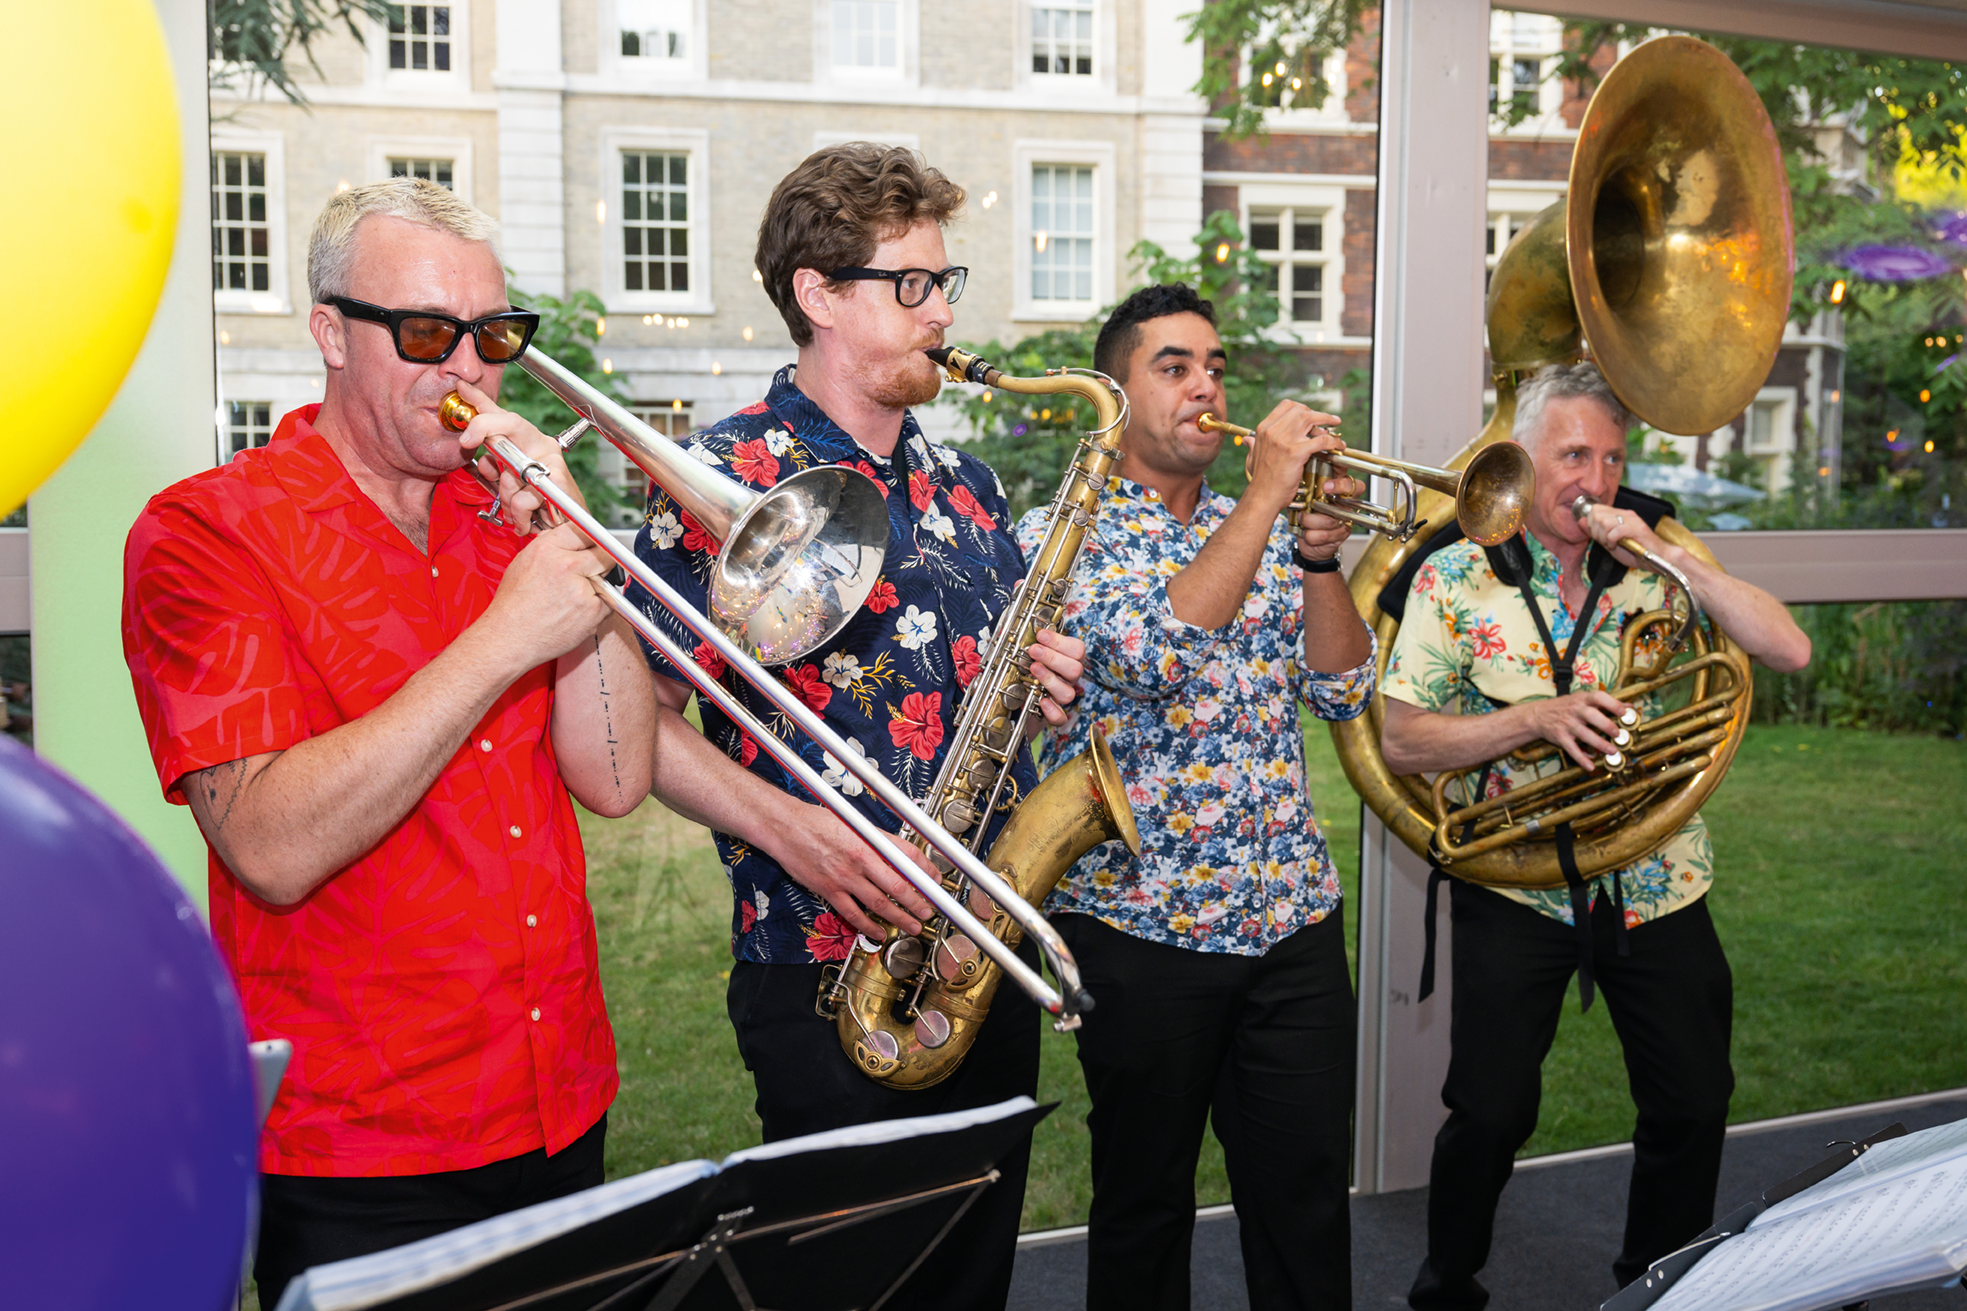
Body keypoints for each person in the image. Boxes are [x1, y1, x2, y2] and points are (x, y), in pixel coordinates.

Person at [122, 178, 657, 1309]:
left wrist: (577, 540)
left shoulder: (496, 514)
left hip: (556, 1095)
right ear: (330, 331)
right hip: (361, 1142)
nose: (466, 369)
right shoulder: (208, 533)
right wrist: (501, 641)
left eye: (494, 335)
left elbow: (614, 777)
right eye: (424, 333)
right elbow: (266, 844)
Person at [631, 144, 1086, 1311]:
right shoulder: (720, 476)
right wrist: (790, 832)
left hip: (981, 955)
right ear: (817, 294)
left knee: (969, 1284)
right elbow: (634, 720)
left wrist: (1043, 682)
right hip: (827, 971)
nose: (941, 315)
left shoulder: (968, 482)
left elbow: (984, 694)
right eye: (912, 286)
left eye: (946, 284)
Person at [1382, 362, 1812, 1308]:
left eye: (1612, 459)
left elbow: (1787, 650)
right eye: (1573, 454)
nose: (1597, 479)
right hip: (1520, 878)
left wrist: (1675, 560)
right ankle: (1445, 1283)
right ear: (1522, 462)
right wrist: (1531, 720)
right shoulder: (1451, 572)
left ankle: (1654, 1282)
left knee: (1693, 1102)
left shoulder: (1653, 564)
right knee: (1489, 1113)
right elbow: (1403, 740)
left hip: (1657, 878)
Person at [1015, 283, 1377, 1311]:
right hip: (1141, 924)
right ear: (1115, 393)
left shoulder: (1251, 524)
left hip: (1290, 921)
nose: (1205, 386)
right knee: (1144, 1205)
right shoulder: (1068, 529)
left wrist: (1313, 555)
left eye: (1213, 366)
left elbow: (1342, 688)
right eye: (1172, 366)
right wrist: (1267, 501)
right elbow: (1149, 655)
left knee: (1305, 1199)